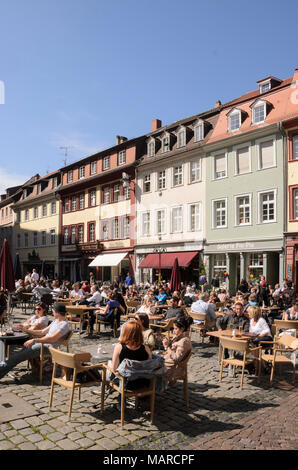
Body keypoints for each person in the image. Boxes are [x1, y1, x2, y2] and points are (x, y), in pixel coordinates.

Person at [0, 303, 70, 380]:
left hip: (48, 347)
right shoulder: (56, 321)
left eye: (53, 311)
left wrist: (35, 340)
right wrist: (26, 330)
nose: (52, 313)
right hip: (42, 344)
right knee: (18, 356)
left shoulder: (64, 325)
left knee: (18, 357)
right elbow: (42, 332)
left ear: (57, 312)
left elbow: (52, 339)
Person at [109, 320, 152, 410]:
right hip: (142, 383)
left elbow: (114, 369)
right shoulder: (146, 348)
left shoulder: (119, 347)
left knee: (110, 367)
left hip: (125, 383)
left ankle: (119, 397)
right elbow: (149, 367)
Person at [162, 315, 193, 387]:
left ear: (182, 329)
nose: (173, 331)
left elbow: (176, 358)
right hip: (169, 362)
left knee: (150, 369)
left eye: (175, 329)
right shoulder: (179, 336)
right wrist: (167, 344)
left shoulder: (184, 341)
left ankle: (151, 391)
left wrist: (167, 347)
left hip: (174, 368)